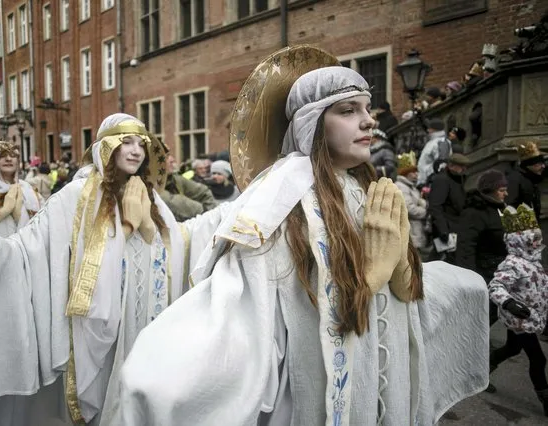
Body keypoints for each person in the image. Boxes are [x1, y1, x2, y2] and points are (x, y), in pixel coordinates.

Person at [112, 47, 489, 425]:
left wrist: (402, 262)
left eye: (366, 108)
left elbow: (406, 296)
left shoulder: (372, 189)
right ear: (312, 123)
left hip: (378, 379)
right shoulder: (280, 207)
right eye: (347, 111)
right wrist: (372, 274)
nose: (368, 121)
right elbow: (246, 324)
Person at [0, 113, 226, 425]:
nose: (135, 150)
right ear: (106, 148)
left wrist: (224, 216)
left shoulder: (151, 197)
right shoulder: (77, 195)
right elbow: (35, 250)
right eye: (125, 142)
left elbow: (176, 244)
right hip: (95, 327)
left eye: (141, 144)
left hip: (139, 318)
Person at [489, 204, 548, 415]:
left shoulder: (533, 261)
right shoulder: (512, 262)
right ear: (521, 242)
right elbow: (495, 286)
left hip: (531, 316)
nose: (538, 243)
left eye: (538, 239)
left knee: (513, 348)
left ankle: (484, 367)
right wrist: (509, 303)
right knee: (538, 358)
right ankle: (545, 398)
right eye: (534, 240)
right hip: (518, 319)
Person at [456, 169, 508, 325]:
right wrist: (470, 278)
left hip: (502, 269)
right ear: (490, 191)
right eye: (501, 190)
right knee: (485, 316)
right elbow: (466, 247)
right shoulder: (474, 213)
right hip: (485, 271)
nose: (505, 194)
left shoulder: (500, 208)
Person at [427, 153, 469, 264]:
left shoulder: (458, 179)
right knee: (440, 259)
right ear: (451, 166)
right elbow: (435, 206)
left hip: (456, 227)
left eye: (465, 166)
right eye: (461, 166)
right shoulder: (442, 180)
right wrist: (443, 230)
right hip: (447, 229)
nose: (464, 169)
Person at [160, 153, 218, 221]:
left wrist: (210, 214)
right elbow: (172, 201)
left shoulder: (175, 179)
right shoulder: (149, 187)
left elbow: (203, 192)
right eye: (166, 157)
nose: (172, 160)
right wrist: (203, 211)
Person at [395, 151, 429, 252]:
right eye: (413, 172)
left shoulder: (411, 187)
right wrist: (426, 211)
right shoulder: (401, 186)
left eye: (416, 171)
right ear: (406, 173)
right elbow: (409, 209)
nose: (416, 174)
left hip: (416, 231)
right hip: (411, 232)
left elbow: (419, 202)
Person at [506, 140, 545, 219]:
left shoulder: (531, 179)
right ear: (529, 165)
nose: (543, 166)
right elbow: (509, 207)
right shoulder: (515, 178)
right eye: (539, 163)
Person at [417, 118, 452, 187]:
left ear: (434, 129)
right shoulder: (432, 142)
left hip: (432, 181)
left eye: (429, 128)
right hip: (425, 180)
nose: (427, 130)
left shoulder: (442, 142)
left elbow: (442, 163)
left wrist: (432, 178)